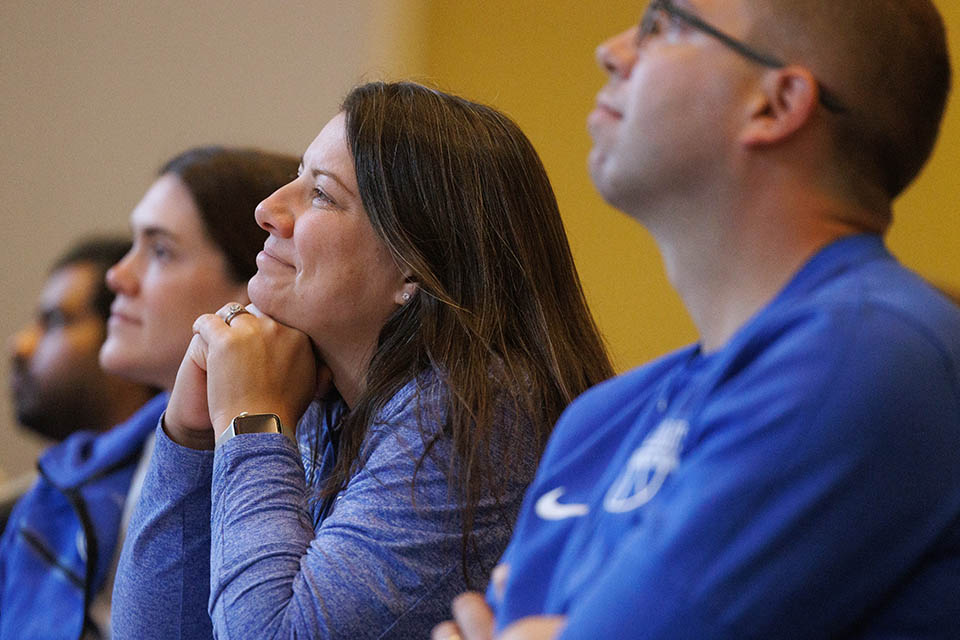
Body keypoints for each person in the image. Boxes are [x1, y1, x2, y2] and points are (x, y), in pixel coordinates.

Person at [434, 1, 960, 639]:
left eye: (668, 24)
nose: (612, 50)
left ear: (775, 103)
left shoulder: (868, 353)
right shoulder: (603, 421)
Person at [111, 81, 614, 640]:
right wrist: (189, 437)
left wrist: (251, 420)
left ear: (413, 270)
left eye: (321, 194)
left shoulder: (475, 407)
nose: (269, 209)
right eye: (296, 178)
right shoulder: (328, 395)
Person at [0, 147, 298, 640]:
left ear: (255, 285)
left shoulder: (287, 470)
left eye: (160, 250)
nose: (117, 276)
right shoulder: (77, 471)